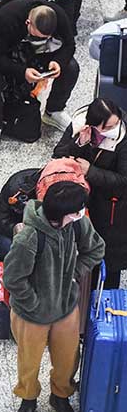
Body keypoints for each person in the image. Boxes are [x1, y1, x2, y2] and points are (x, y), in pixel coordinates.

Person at [3, 181, 105, 412]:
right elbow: (13, 279)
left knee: (68, 358)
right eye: (78, 209)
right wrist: (34, 303)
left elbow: (96, 249)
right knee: (29, 362)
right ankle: (28, 399)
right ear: (63, 215)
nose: (82, 213)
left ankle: (60, 395)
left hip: (65, 308)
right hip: (31, 315)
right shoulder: (29, 238)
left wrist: (75, 273)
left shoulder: (78, 224)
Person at [0, 1, 78, 157]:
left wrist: (58, 62)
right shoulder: (7, 18)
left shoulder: (59, 16)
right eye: (35, 35)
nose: (37, 38)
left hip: (41, 56)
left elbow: (70, 45)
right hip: (11, 55)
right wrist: (22, 71)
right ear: (28, 23)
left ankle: (54, 110)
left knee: (72, 68)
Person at [53, 98, 127, 289]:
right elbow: (59, 153)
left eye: (116, 123)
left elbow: (123, 180)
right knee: (84, 250)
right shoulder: (80, 125)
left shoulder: (123, 138)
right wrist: (78, 143)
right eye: (109, 126)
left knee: (109, 261)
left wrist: (91, 172)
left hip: (112, 207)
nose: (114, 128)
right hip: (82, 199)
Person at [0, 167, 42, 259]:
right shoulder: (16, 189)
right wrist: (20, 230)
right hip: (14, 226)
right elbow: (2, 218)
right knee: (7, 247)